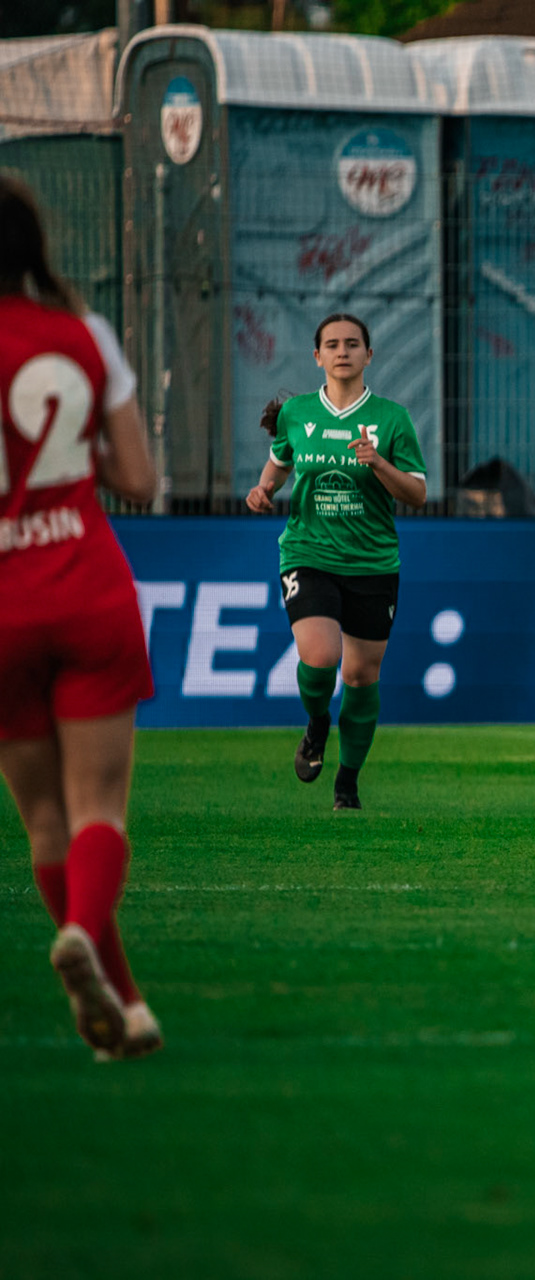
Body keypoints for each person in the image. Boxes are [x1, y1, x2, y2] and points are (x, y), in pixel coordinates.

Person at [0, 175, 163, 1059]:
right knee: (101, 804)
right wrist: (63, 459)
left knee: (45, 825)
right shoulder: (84, 336)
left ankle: (119, 1002)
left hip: (2, 609)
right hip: (88, 589)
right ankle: (108, 979)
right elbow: (139, 480)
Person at [247, 315, 427, 810]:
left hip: (372, 561)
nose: (342, 351)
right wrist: (264, 490)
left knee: (361, 677)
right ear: (317, 357)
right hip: (309, 552)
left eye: (353, 344)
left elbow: (418, 493)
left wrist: (379, 463)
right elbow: (280, 461)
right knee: (322, 657)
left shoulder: (392, 419)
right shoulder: (298, 413)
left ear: (369, 355)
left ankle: (347, 780)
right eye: (332, 344)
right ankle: (317, 725)